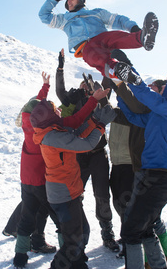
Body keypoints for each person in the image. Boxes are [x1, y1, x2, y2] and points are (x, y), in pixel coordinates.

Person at [13, 73, 110, 269]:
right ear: (48, 115)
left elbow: (70, 122)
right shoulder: (53, 134)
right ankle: (68, 258)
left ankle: (22, 255)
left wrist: (92, 103)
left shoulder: (38, 124)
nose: (58, 110)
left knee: (29, 217)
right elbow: (80, 137)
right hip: (54, 187)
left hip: (32, 181)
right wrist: (99, 124)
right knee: (66, 229)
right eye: (54, 109)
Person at [103, 50, 167, 267]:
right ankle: (165, 258)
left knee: (137, 224)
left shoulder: (158, 108)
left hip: (149, 173)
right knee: (149, 221)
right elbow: (130, 109)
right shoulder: (152, 114)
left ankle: (154, 260)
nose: (151, 90)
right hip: (143, 169)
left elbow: (137, 98)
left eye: (156, 88)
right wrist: (115, 85)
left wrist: (124, 69)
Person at [115, 64, 167, 269]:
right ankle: (159, 264)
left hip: (158, 179)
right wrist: (120, 95)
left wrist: (134, 79)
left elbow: (149, 97)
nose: (163, 90)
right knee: (146, 227)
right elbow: (134, 118)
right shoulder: (158, 114)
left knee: (130, 231)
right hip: (147, 175)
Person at [55, 49, 120, 253]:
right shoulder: (74, 99)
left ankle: (107, 232)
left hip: (99, 154)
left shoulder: (100, 100)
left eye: (88, 84)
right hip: (79, 155)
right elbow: (60, 91)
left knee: (102, 194)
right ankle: (74, 233)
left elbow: (108, 105)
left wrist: (103, 76)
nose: (85, 85)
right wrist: (60, 67)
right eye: (84, 83)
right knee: (75, 195)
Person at [38, 0, 159, 80]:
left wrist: (134, 28)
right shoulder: (64, 19)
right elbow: (44, 16)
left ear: (80, 0)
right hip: (85, 47)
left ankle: (142, 38)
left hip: (103, 40)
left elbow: (118, 19)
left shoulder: (96, 13)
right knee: (94, 55)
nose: (69, 2)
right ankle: (116, 70)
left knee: (114, 36)